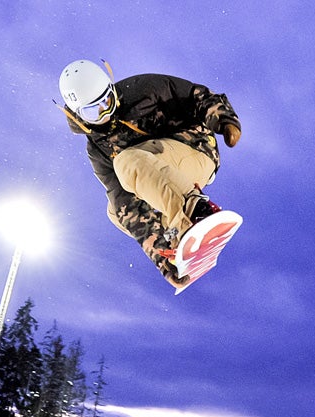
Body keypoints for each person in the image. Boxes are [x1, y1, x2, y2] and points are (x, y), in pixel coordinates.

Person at [58, 59, 242, 289]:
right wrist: (162, 261)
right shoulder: (97, 149)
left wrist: (225, 120)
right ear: (78, 115)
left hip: (193, 149)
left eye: (107, 100)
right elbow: (126, 206)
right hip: (159, 173)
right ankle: (175, 242)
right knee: (115, 210)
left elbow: (195, 95)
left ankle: (195, 212)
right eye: (93, 111)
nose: (105, 112)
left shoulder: (142, 90)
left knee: (126, 161)